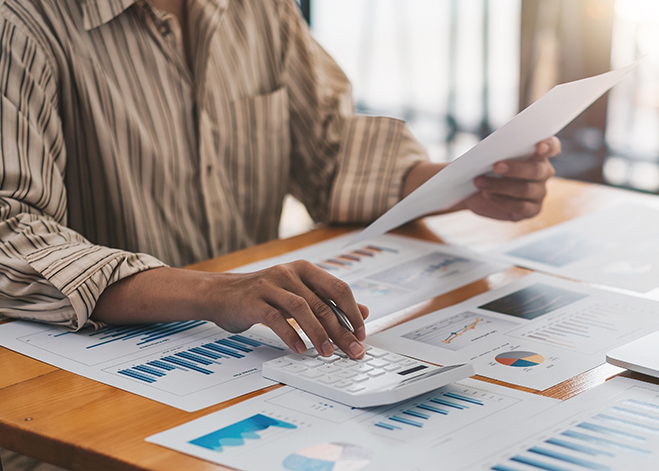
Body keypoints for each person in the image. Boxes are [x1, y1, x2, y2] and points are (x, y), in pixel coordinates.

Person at [0, 0, 560, 363]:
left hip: (245, 360)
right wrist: (217, 292)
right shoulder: (20, 21)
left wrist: (464, 183)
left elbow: (327, 145)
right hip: (80, 381)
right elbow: (11, 236)